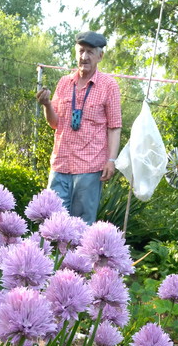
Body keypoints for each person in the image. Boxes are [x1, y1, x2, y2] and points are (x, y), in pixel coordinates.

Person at [36, 31, 122, 224]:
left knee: (81, 226)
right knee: (52, 222)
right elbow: (54, 123)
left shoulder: (109, 86)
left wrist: (111, 160)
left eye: (90, 52)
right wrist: (47, 104)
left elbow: (114, 127)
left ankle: (78, 256)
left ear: (100, 56)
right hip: (60, 164)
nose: (84, 57)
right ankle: (53, 256)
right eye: (81, 51)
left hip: (90, 168)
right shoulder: (64, 83)